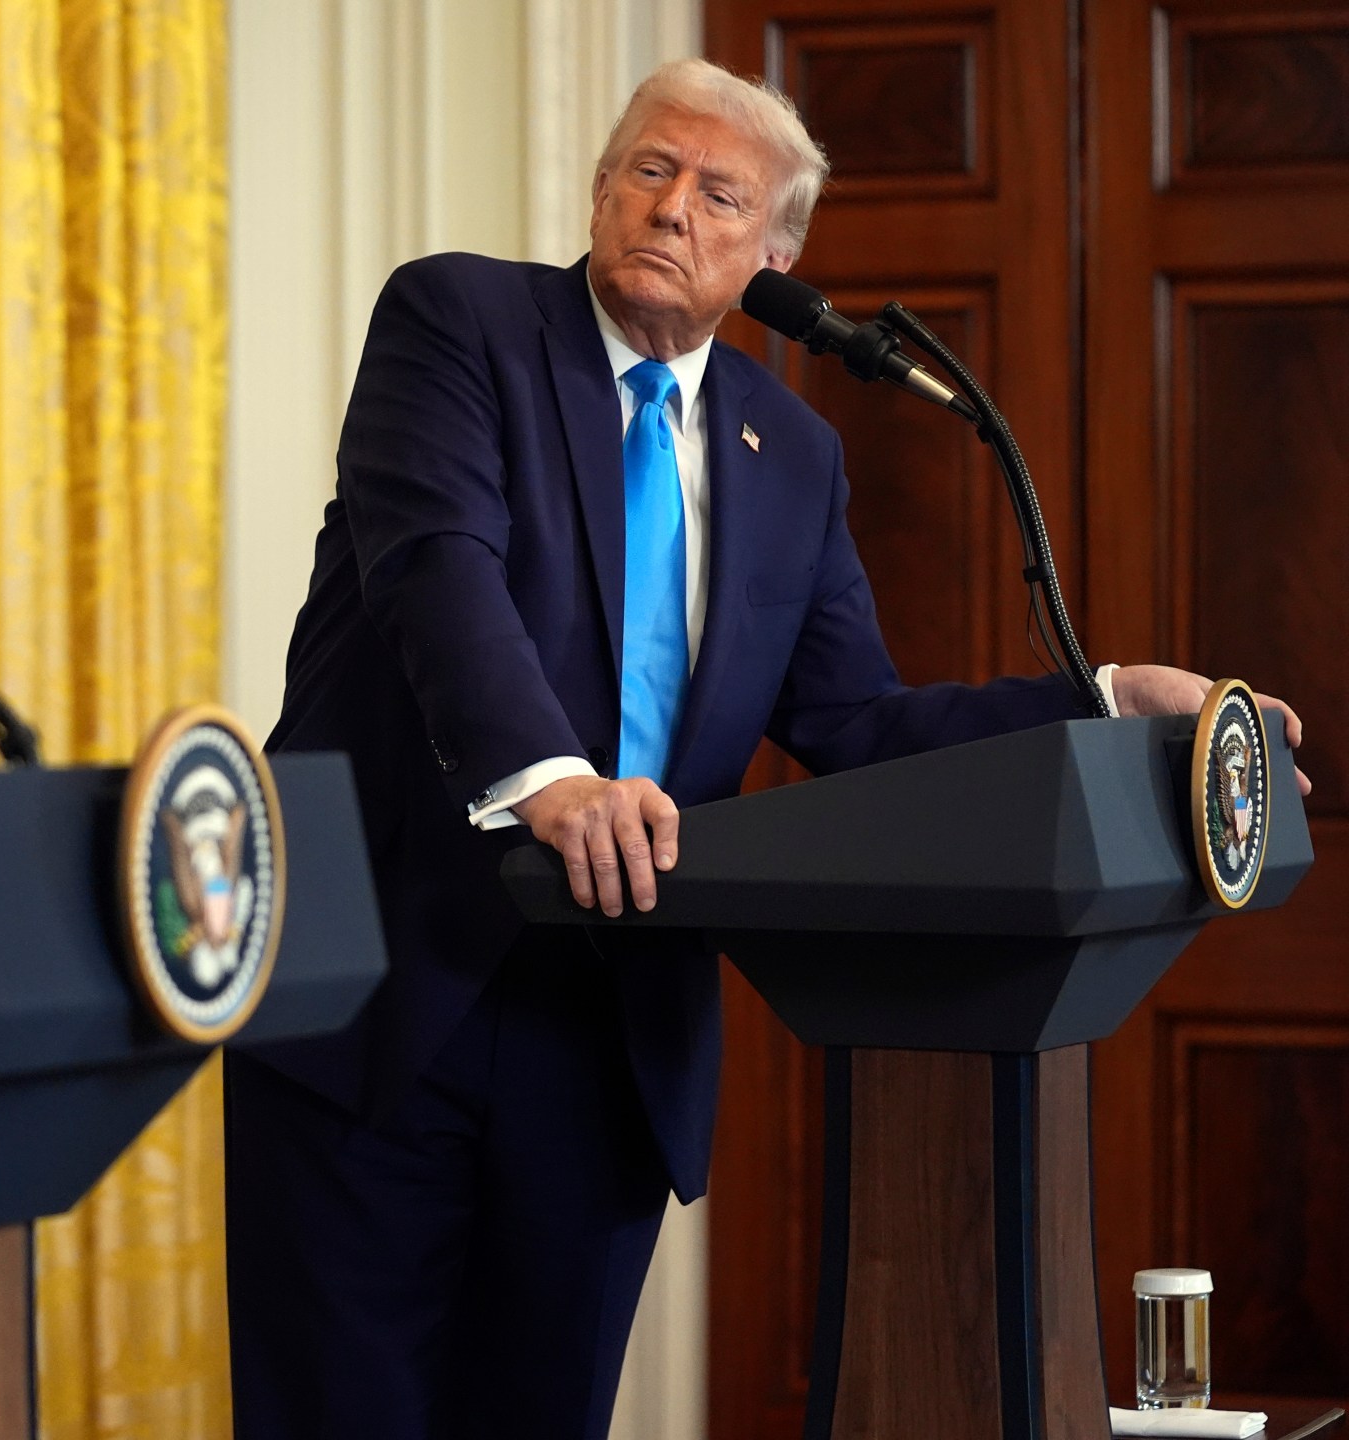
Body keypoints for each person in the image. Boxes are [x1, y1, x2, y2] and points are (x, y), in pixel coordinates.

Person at [224, 58, 1306, 1440]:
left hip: (606, 1028)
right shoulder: (463, 320)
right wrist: (553, 781)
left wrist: (1103, 700)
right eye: (649, 170)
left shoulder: (789, 452)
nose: (671, 207)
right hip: (384, 989)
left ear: (775, 255)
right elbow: (440, 573)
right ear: (603, 186)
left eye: (718, 192)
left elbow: (858, 722)